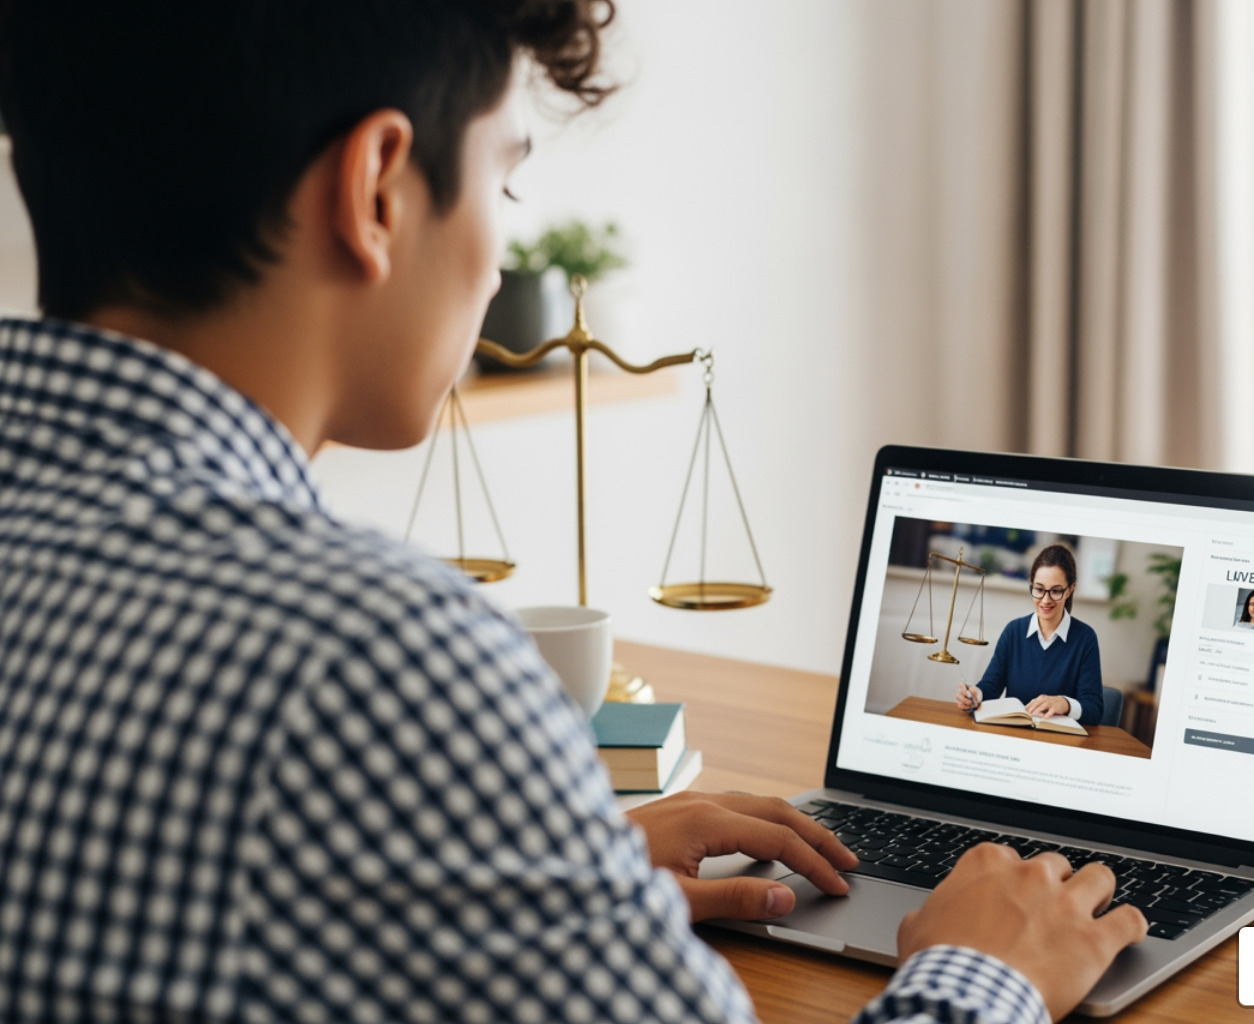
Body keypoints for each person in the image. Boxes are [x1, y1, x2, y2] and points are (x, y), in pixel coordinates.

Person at [0, 2, 1144, 1022]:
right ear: (378, 189)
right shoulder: (382, 666)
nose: (502, 260)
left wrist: (531, 863)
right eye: (504, 180)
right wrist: (986, 976)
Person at [957, 544, 1105, 725]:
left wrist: (1065, 703)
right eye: (1039, 589)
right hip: (1015, 735)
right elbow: (991, 685)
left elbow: (1094, 709)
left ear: (1070, 590)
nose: (1045, 600)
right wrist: (975, 695)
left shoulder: (1085, 638)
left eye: (1056, 591)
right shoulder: (1014, 631)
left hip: (1059, 743)